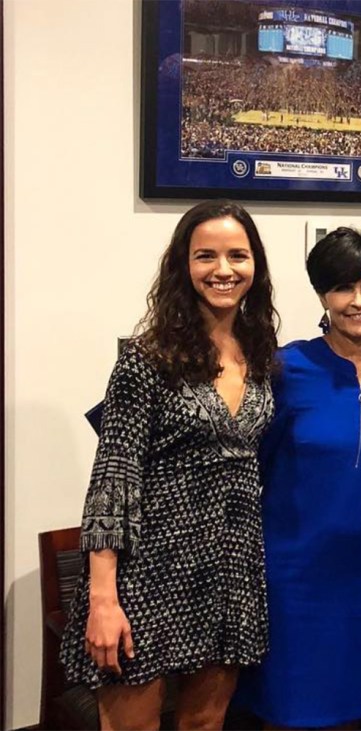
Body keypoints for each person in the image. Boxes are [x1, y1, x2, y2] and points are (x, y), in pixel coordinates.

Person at [60, 200, 278, 730]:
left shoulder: (260, 351)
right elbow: (112, 480)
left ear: (255, 266)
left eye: (237, 256)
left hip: (230, 571)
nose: (223, 270)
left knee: (205, 723)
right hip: (148, 576)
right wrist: (103, 600)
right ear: (184, 266)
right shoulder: (145, 359)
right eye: (206, 256)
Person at [234, 228, 361, 728]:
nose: (358, 302)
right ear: (322, 296)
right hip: (293, 582)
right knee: (292, 712)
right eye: (342, 289)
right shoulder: (284, 369)